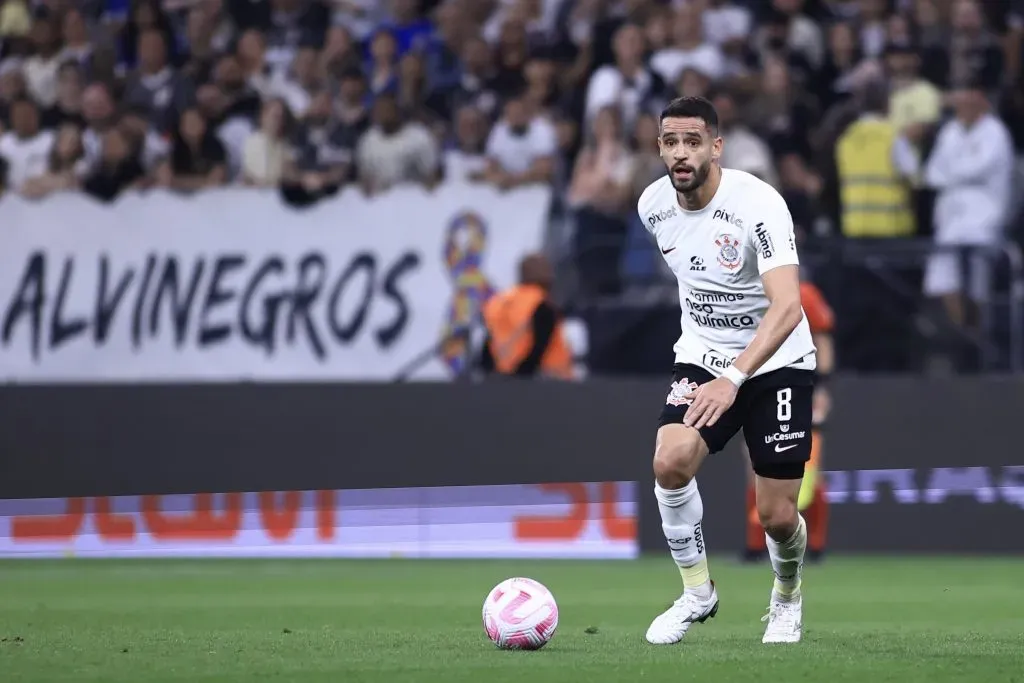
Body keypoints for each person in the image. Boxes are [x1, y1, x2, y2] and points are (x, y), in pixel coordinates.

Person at [638, 96, 816, 646]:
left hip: (778, 361)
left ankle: (786, 596)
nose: (681, 153)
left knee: (776, 516)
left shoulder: (758, 204)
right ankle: (697, 593)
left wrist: (734, 378)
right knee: (669, 462)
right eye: (671, 142)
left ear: (716, 148)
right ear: (659, 148)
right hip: (703, 354)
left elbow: (788, 306)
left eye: (693, 142)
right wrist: (715, 366)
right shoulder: (652, 206)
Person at [744, 278, 834, 563]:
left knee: (808, 465)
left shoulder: (803, 292)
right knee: (753, 464)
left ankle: (815, 545)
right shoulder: (736, 291)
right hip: (754, 384)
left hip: (797, 385)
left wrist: (822, 387)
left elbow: (823, 338)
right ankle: (756, 545)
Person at [479, 253, 573, 379]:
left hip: (500, 379)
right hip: (544, 381)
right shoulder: (542, 305)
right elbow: (539, 347)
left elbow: (488, 345)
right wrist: (521, 376)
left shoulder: (499, 302)